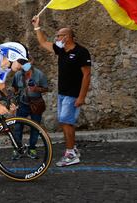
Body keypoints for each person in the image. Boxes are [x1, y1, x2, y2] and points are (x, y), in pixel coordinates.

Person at [32, 16, 91, 166]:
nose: (57, 37)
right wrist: (37, 27)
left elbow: (86, 75)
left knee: (65, 121)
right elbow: (43, 42)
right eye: (57, 35)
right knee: (67, 122)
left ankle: (70, 154)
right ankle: (73, 149)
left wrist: (81, 97)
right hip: (62, 93)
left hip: (73, 94)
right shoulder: (61, 50)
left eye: (59, 35)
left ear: (68, 37)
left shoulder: (81, 52)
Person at [11, 59, 48, 160]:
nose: (24, 65)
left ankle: (32, 149)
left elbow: (46, 88)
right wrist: (14, 100)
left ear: (31, 62)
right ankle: (18, 149)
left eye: (26, 62)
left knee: (35, 128)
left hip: (36, 104)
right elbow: (14, 87)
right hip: (22, 104)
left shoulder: (39, 74)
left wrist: (37, 89)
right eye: (22, 63)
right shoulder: (18, 74)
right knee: (18, 127)